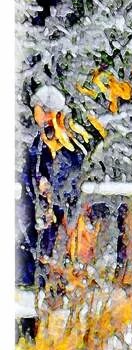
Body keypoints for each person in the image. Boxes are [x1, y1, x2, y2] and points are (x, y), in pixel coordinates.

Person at [18, 86, 86, 290]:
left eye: (39, 109)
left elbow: (74, 176)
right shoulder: (37, 144)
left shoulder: (69, 143)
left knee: (57, 245)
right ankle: (32, 277)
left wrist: (53, 191)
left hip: (62, 212)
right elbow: (29, 174)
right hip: (39, 208)